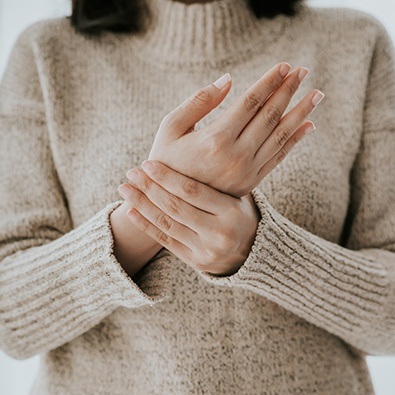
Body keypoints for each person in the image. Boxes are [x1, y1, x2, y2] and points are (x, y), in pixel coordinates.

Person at [0, 0, 394, 393]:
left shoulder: (355, 42)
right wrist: (158, 209)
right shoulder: (46, 53)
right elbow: (10, 319)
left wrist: (259, 250)